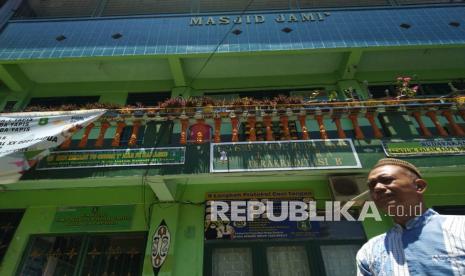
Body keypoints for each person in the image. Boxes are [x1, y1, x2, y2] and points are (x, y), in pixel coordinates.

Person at [357, 158, 465, 276]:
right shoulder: (370, 251)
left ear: (419, 186)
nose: (377, 188)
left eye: (386, 180)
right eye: (372, 186)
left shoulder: (460, 228)